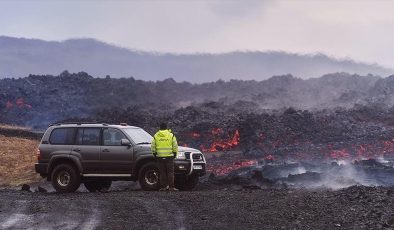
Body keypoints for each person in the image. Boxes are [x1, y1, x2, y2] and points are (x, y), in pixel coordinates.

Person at [151, 122, 179, 191]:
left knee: (162, 172)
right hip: (169, 157)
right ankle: (171, 187)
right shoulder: (171, 135)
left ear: (160, 128)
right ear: (166, 128)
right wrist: (175, 153)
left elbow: (153, 147)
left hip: (160, 157)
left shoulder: (156, 136)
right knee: (170, 172)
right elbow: (175, 145)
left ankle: (163, 187)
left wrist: (154, 154)